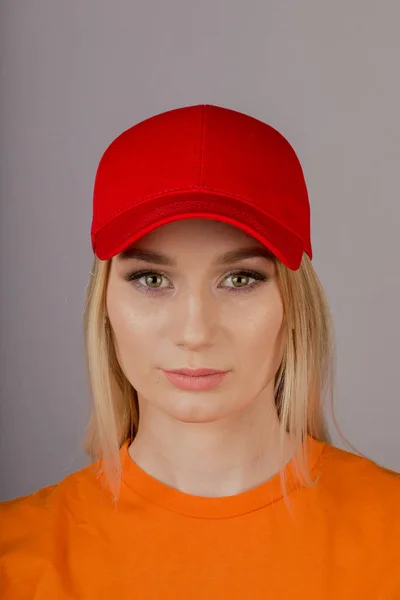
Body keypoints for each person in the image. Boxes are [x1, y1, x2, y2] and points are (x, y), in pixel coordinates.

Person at [1, 104, 399, 599]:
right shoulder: (15, 558)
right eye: (151, 279)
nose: (195, 331)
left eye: (240, 279)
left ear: (294, 304)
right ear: (104, 302)